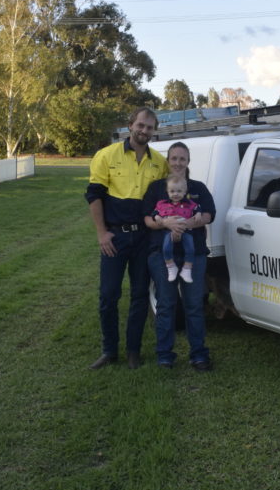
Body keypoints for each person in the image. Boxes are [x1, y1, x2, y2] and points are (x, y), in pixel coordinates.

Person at [85, 107, 175, 370]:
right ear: (130, 125)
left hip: (144, 239)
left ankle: (133, 350)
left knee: (139, 295)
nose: (144, 130)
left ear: (153, 130)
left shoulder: (159, 163)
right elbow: (93, 196)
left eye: (149, 127)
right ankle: (109, 350)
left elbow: (170, 197)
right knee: (108, 295)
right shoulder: (106, 155)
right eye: (140, 125)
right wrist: (102, 233)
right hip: (114, 238)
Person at [143, 142, 215, 370]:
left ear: (188, 161)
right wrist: (165, 223)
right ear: (168, 160)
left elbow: (209, 214)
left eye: (182, 159)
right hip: (163, 256)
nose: (177, 163)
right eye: (173, 158)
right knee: (166, 305)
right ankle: (165, 354)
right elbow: (146, 218)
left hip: (194, 254)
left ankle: (199, 354)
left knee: (194, 305)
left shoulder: (198, 188)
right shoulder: (156, 188)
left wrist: (191, 222)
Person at [152, 174, 200, 283]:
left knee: (190, 248)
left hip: (185, 230)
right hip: (169, 231)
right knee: (166, 248)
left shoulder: (190, 203)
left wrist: (198, 215)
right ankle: (171, 266)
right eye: (172, 191)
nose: (175, 194)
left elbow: (197, 209)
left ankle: (187, 269)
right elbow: (154, 212)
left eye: (179, 191)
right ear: (167, 192)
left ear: (184, 191)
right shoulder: (162, 204)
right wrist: (157, 217)